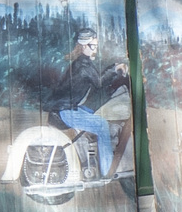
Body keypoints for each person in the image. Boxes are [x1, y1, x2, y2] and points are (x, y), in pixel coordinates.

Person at [50, 30, 127, 178]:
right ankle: (107, 172)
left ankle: (94, 156)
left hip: (70, 107)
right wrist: (114, 69)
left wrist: (114, 67)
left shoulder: (83, 63)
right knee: (102, 125)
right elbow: (98, 82)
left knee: (97, 114)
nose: (95, 49)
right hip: (66, 111)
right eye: (93, 46)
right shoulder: (82, 65)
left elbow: (98, 78)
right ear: (84, 46)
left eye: (96, 46)